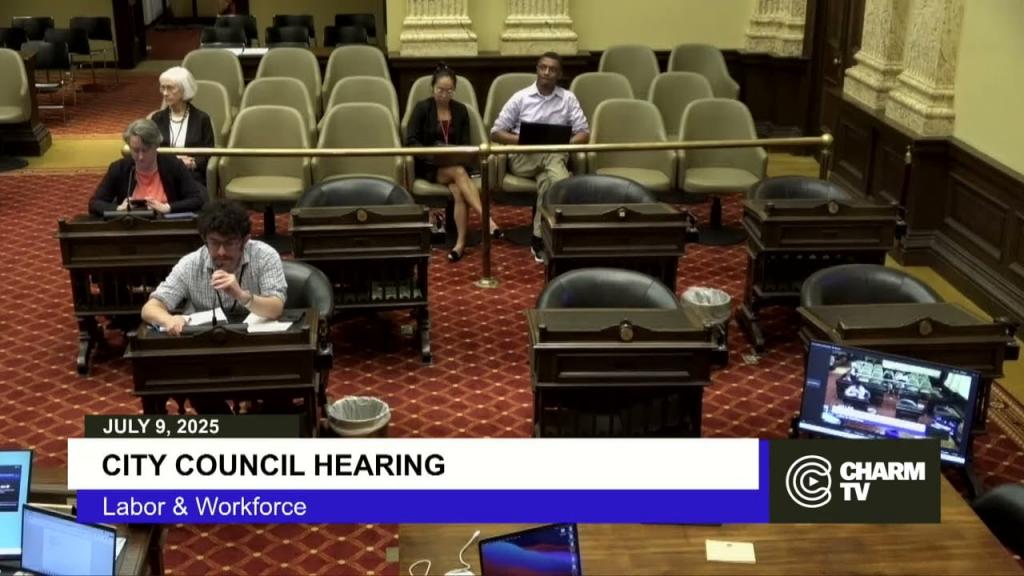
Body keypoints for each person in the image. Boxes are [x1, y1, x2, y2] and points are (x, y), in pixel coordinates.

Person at [490, 52, 590, 262]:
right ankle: (564, 189)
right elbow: (496, 132)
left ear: (559, 74)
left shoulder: (568, 99)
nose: (546, 72)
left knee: (548, 181)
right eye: (543, 67)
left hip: (552, 159)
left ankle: (538, 238)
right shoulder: (521, 97)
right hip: (523, 159)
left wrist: (566, 145)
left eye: (552, 69)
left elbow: (583, 132)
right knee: (556, 169)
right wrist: (523, 141)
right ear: (537, 69)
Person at [142, 199, 287, 337]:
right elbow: (150, 308)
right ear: (204, 239)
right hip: (206, 342)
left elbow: (276, 308)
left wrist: (241, 295)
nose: (221, 252)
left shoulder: (265, 256)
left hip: (253, 342)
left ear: (245, 241)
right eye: (214, 243)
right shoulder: (190, 264)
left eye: (229, 243)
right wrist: (168, 320)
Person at [406, 63, 503, 262]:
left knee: (459, 190)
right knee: (458, 172)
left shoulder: (460, 110)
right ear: (432, 88)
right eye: (440, 90)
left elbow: (465, 145)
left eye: (449, 90)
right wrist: (432, 154)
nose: (444, 94)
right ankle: (487, 220)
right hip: (429, 166)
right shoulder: (422, 108)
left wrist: (455, 155)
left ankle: (459, 244)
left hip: (455, 164)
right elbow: (411, 141)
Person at [89, 118, 204, 216]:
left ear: (156, 146)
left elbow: (197, 199)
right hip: (131, 229)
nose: (140, 157)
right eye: (135, 150)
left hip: (166, 228)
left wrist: (167, 208)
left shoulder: (173, 165)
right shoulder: (119, 168)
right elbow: (94, 203)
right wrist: (118, 209)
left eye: (145, 150)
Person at [151, 66, 215, 189]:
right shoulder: (157, 118)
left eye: (170, 88)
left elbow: (209, 152)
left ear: (184, 89)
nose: (165, 93)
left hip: (191, 174)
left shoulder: (202, 118)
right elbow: (151, 150)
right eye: (163, 88)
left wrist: (193, 163)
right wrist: (174, 161)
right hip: (163, 173)